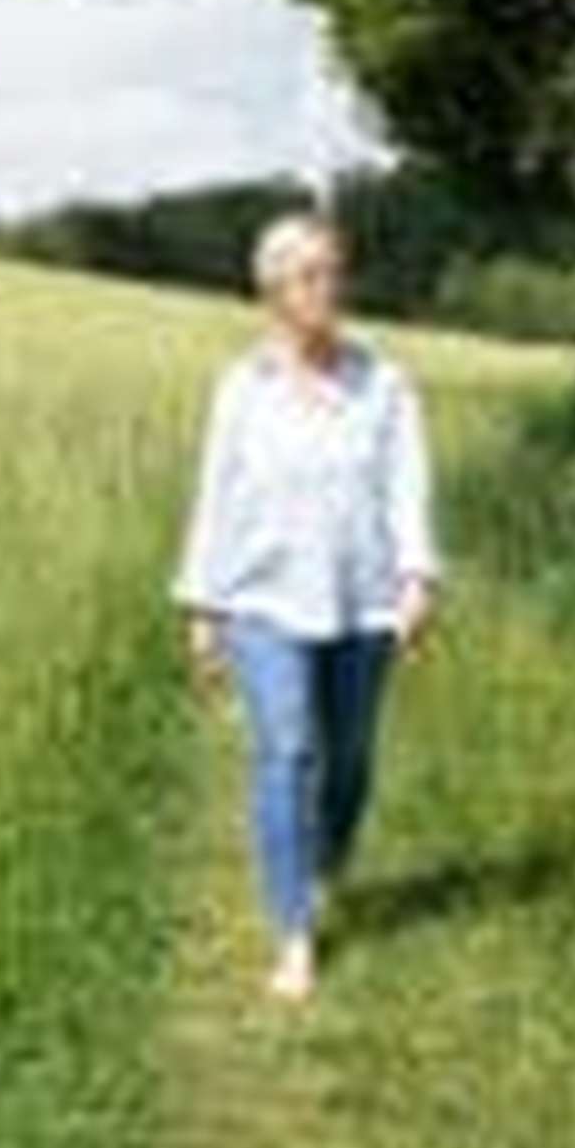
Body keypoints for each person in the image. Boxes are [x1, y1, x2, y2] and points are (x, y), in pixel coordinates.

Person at [170, 209, 440, 1003]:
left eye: (334, 271)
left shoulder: (383, 384)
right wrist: (202, 605)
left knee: (349, 758)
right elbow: (215, 495)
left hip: (361, 603)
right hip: (262, 600)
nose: (330, 287)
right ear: (274, 290)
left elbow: (407, 484)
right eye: (311, 274)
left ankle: (324, 862)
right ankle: (294, 933)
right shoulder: (240, 388)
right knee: (288, 750)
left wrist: (418, 575)